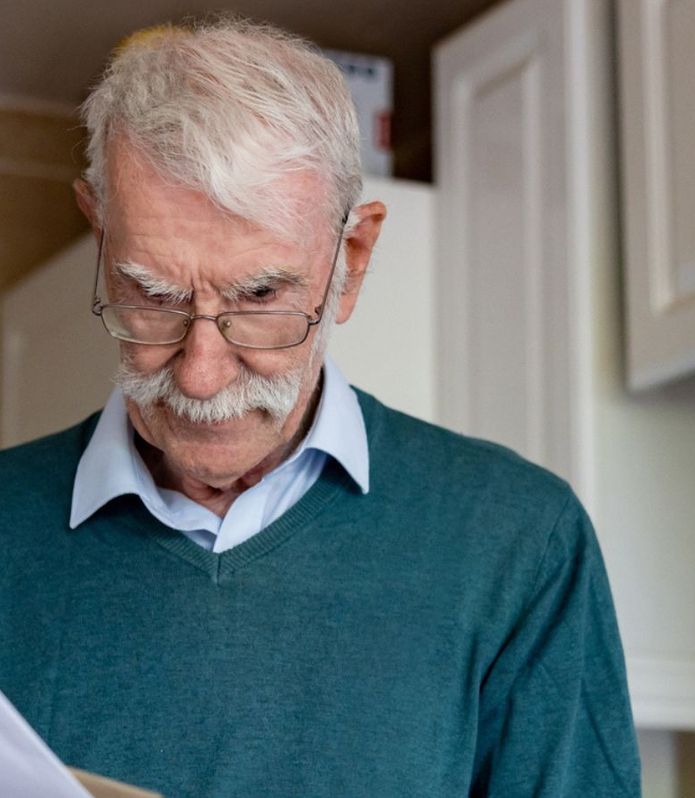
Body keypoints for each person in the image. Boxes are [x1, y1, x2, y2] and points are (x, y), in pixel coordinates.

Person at [0, 18, 640, 797]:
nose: (200, 376)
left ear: (353, 261)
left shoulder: (519, 544)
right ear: (98, 232)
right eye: (152, 295)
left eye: (261, 297)